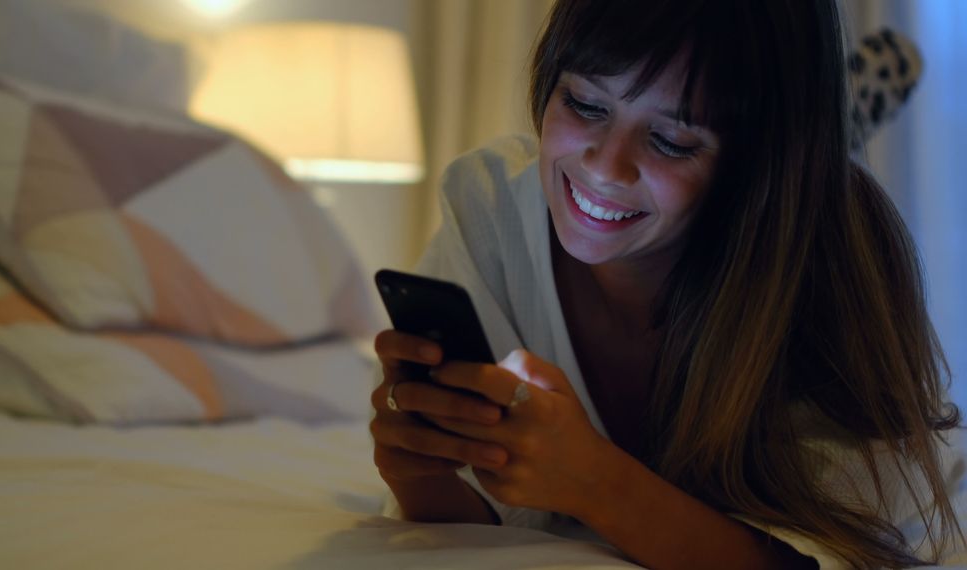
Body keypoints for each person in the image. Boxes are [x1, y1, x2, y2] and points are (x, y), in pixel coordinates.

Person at [369, 0, 964, 568]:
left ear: (751, 164)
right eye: (585, 105)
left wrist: (597, 481)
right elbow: (481, 524)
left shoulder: (832, 271)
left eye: (670, 141)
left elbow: (829, 553)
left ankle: (834, 133)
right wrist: (420, 472)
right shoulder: (489, 207)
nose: (604, 166)